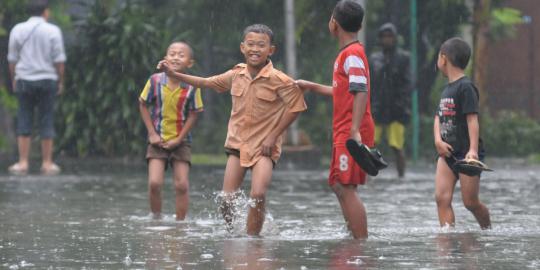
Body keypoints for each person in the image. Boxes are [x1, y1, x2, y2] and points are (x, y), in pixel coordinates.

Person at [157, 24, 307, 235]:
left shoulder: (280, 80)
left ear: (270, 50)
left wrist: (273, 136)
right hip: (238, 144)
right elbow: (205, 82)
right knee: (226, 199)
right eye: (251, 44)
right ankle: (234, 232)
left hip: (264, 147)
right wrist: (174, 74)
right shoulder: (235, 74)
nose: (255, 49)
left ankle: (253, 239)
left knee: (258, 194)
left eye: (261, 45)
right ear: (242, 47)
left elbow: (297, 107)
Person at [296, 0, 373, 238]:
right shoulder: (348, 55)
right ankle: (353, 237)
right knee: (338, 184)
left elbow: (361, 90)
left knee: (346, 187)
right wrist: (311, 86)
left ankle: (360, 243)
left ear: (334, 24)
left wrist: (354, 130)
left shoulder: (352, 54)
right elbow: (343, 90)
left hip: (351, 131)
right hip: (345, 130)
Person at [139, 41, 204, 220]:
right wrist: (152, 133)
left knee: (182, 185)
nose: (176, 57)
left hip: (181, 142)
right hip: (157, 140)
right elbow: (143, 104)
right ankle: (156, 218)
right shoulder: (155, 80)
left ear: (189, 63)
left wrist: (179, 138)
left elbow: (194, 113)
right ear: (166, 58)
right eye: (172, 53)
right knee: (154, 183)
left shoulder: (193, 86)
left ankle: (180, 223)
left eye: (181, 55)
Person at [433, 37, 491, 229]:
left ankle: (487, 230)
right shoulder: (446, 89)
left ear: (443, 58)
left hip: (466, 155)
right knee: (441, 198)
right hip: (447, 153)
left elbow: (472, 119)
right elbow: (438, 117)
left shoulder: (466, 87)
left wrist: (472, 150)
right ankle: (447, 238)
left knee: (470, 203)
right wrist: (437, 141)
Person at [7, 0, 66, 175]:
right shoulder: (53, 31)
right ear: (45, 12)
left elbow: (12, 59)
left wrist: (14, 79)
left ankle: (23, 162)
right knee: (46, 119)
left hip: (24, 79)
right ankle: (47, 163)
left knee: (24, 117)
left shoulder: (17, 29)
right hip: (47, 79)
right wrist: (60, 81)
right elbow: (59, 60)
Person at [369, 23, 411, 178]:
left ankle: (401, 177)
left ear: (395, 39)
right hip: (377, 108)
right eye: (384, 37)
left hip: (396, 110)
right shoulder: (374, 59)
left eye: (390, 37)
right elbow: (370, 84)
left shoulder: (403, 58)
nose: (387, 40)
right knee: (370, 145)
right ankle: (368, 175)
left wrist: (402, 105)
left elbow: (407, 84)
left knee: (397, 145)